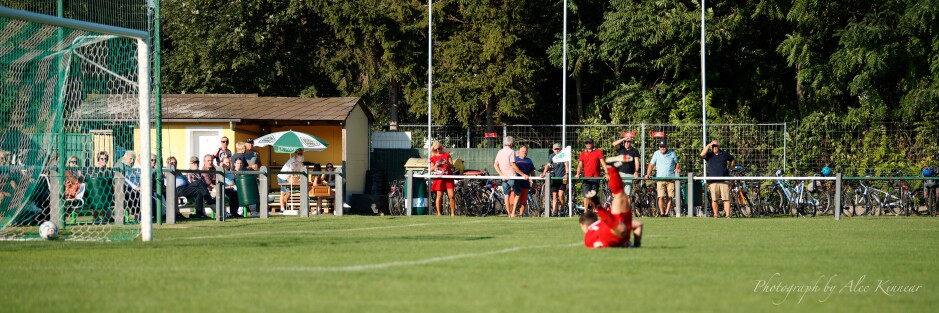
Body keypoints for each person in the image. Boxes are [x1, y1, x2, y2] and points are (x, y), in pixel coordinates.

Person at [579, 158, 644, 248]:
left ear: (585, 226)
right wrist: (635, 245)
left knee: (620, 197)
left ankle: (598, 204)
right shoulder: (600, 223)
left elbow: (597, 245)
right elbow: (638, 225)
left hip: (611, 231)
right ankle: (612, 169)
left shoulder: (588, 236)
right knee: (620, 195)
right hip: (612, 222)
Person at [644, 140, 681, 217]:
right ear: (659, 147)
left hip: (670, 179)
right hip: (660, 179)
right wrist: (648, 174)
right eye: (661, 147)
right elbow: (651, 165)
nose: (662, 148)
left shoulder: (672, 153)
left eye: (664, 147)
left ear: (667, 146)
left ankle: (666, 213)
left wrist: (677, 168)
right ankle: (662, 213)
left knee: (670, 196)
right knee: (660, 196)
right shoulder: (656, 154)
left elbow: (677, 163)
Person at [700, 140, 735, 218]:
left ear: (718, 146)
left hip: (724, 181)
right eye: (713, 146)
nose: (714, 148)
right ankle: (716, 215)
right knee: (714, 199)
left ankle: (727, 215)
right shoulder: (709, 155)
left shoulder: (724, 154)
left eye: (716, 146)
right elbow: (702, 154)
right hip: (713, 182)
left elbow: (732, 159)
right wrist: (709, 145)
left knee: (726, 199)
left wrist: (731, 167)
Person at [611, 132, 641, 210]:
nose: (627, 143)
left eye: (629, 142)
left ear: (631, 142)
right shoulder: (621, 148)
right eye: (626, 142)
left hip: (629, 174)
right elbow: (614, 144)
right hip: (620, 174)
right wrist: (624, 139)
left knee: (627, 195)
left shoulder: (634, 151)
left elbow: (637, 161)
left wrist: (636, 171)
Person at [575, 138, 604, 213]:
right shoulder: (582, 153)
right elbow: (580, 165)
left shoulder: (598, 152)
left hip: (595, 177)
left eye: (589, 143)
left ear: (593, 143)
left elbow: (603, 163)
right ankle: (585, 211)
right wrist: (578, 173)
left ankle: (593, 210)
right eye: (586, 143)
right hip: (586, 178)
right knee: (586, 195)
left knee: (593, 195)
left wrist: (607, 173)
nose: (588, 144)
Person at [493, 136, 518, 217]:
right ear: (511, 143)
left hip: (504, 178)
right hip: (512, 176)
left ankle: (509, 213)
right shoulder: (511, 152)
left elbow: (495, 165)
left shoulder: (500, 152)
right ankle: (513, 212)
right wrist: (522, 174)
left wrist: (501, 174)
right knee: (518, 193)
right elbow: (513, 165)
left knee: (506, 195)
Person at [429, 141, 456, 216]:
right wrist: (436, 165)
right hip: (439, 178)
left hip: (448, 177)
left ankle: (453, 213)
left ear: (441, 148)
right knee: (439, 196)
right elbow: (431, 169)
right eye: (436, 149)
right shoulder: (433, 158)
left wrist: (446, 163)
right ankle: (439, 213)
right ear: (434, 150)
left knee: (451, 196)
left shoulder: (447, 155)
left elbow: (452, 165)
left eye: (439, 148)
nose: (438, 150)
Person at [542, 143, 569, 216]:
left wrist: (567, 174)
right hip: (554, 179)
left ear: (561, 149)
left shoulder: (564, 156)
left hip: (562, 179)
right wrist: (544, 173)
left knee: (561, 194)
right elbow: (548, 165)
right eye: (555, 149)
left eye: (558, 149)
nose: (557, 150)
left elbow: (566, 165)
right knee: (554, 195)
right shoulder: (551, 156)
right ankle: (555, 212)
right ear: (553, 149)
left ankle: (562, 208)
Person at [512, 145, 536, 217]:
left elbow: (532, 172)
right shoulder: (515, 160)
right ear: (519, 152)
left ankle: (521, 214)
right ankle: (512, 213)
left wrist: (534, 181)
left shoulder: (529, 161)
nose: (524, 153)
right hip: (516, 182)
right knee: (514, 198)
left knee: (523, 200)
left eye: (525, 152)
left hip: (525, 183)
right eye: (523, 151)